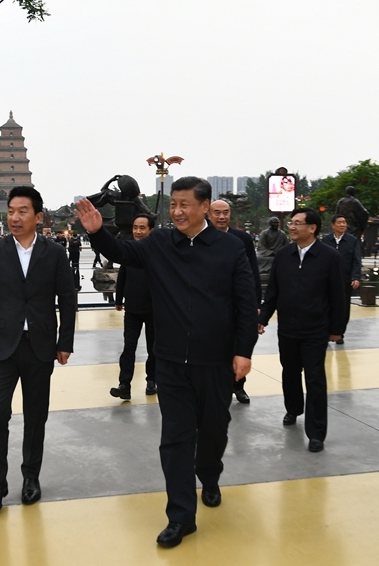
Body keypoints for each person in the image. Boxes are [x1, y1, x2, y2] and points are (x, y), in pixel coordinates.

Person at [75, 176, 258, 549]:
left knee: (214, 431)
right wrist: (96, 232)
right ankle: (181, 516)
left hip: (215, 362)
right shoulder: (159, 244)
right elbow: (123, 252)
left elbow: (246, 301)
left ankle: (209, 474)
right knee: (175, 438)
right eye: (173, 204)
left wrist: (243, 350)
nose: (177, 211)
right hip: (171, 362)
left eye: (185, 204)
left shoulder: (229, 248)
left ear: (204, 206)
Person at [0, 186, 76, 516]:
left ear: (38, 216)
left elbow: (68, 299)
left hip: (41, 346)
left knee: (35, 415)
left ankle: (31, 476)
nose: (14, 218)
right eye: (11, 212)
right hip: (3, 346)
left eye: (22, 211)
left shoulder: (55, 252)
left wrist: (65, 342)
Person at [258, 207, 347, 452]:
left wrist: (337, 328)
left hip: (315, 329)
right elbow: (273, 292)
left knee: (315, 378)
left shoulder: (329, 257)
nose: (292, 227)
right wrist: (263, 318)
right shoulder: (283, 255)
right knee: (290, 371)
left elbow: (339, 296)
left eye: (298, 223)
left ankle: (316, 432)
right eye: (292, 223)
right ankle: (293, 408)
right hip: (287, 327)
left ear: (312, 228)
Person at [209, 198, 261, 404]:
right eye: (217, 212)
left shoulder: (242, 239)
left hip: (238, 300)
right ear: (208, 214)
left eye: (226, 212)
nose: (222, 216)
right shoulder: (202, 237)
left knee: (238, 344)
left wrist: (256, 303)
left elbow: (253, 271)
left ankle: (238, 385)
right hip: (213, 302)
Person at [110, 214, 157, 400]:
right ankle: (124, 385)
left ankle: (152, 380)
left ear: (151, 230)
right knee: (129, 347)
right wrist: (118, 299)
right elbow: (123, 276)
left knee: (154, 348)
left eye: (142, 228)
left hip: (154, 309)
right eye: (135, 227)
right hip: (132, 309)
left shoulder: (157, 252)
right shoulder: (129, 250)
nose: (138, 231)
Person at [320, 214, 361, 344]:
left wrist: (356, 277)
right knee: (326, 306)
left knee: (343, 307)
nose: (342, 224)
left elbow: (356, 260)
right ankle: (326, 332)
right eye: (339, 222)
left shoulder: (352, 240)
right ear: (333, 225)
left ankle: (339, 333)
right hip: (328, 280)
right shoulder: (326, 240)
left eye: (344, 222)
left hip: (345, 279)